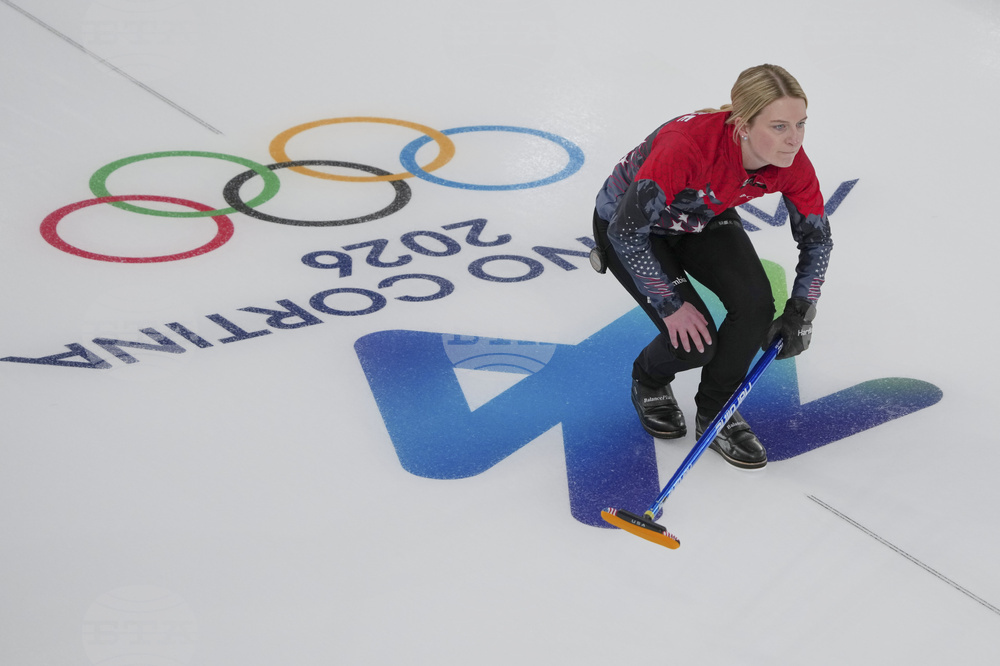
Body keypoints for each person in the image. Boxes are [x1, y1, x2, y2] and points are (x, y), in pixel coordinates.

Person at [590, 64, 832, 470]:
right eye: (779, 127)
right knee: (694, 343)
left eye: (800, 124)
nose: (794, 139)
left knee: (756, 306)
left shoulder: (792, 162)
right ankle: (649, 378)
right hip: (631, 228)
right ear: (743, 125)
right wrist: (670, 305)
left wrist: (802, 308)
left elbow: (817, 238)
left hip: (700, 216)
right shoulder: (686, 147)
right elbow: (627, 231)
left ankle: (716, 411)